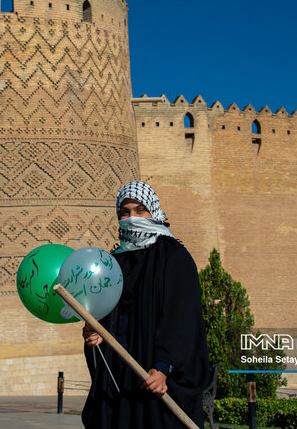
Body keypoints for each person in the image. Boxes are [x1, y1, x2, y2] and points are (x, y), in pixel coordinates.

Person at [81, 181, 211, 429]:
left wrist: (163, 368)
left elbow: (182, 320)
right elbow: (105, 314)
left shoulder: (173, 257)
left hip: (156, 381)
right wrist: (94, 332)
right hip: (119, 381)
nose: (132, 218)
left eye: (140, 211)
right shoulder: (114, 261)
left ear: (153, 211)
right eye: (125, 212)